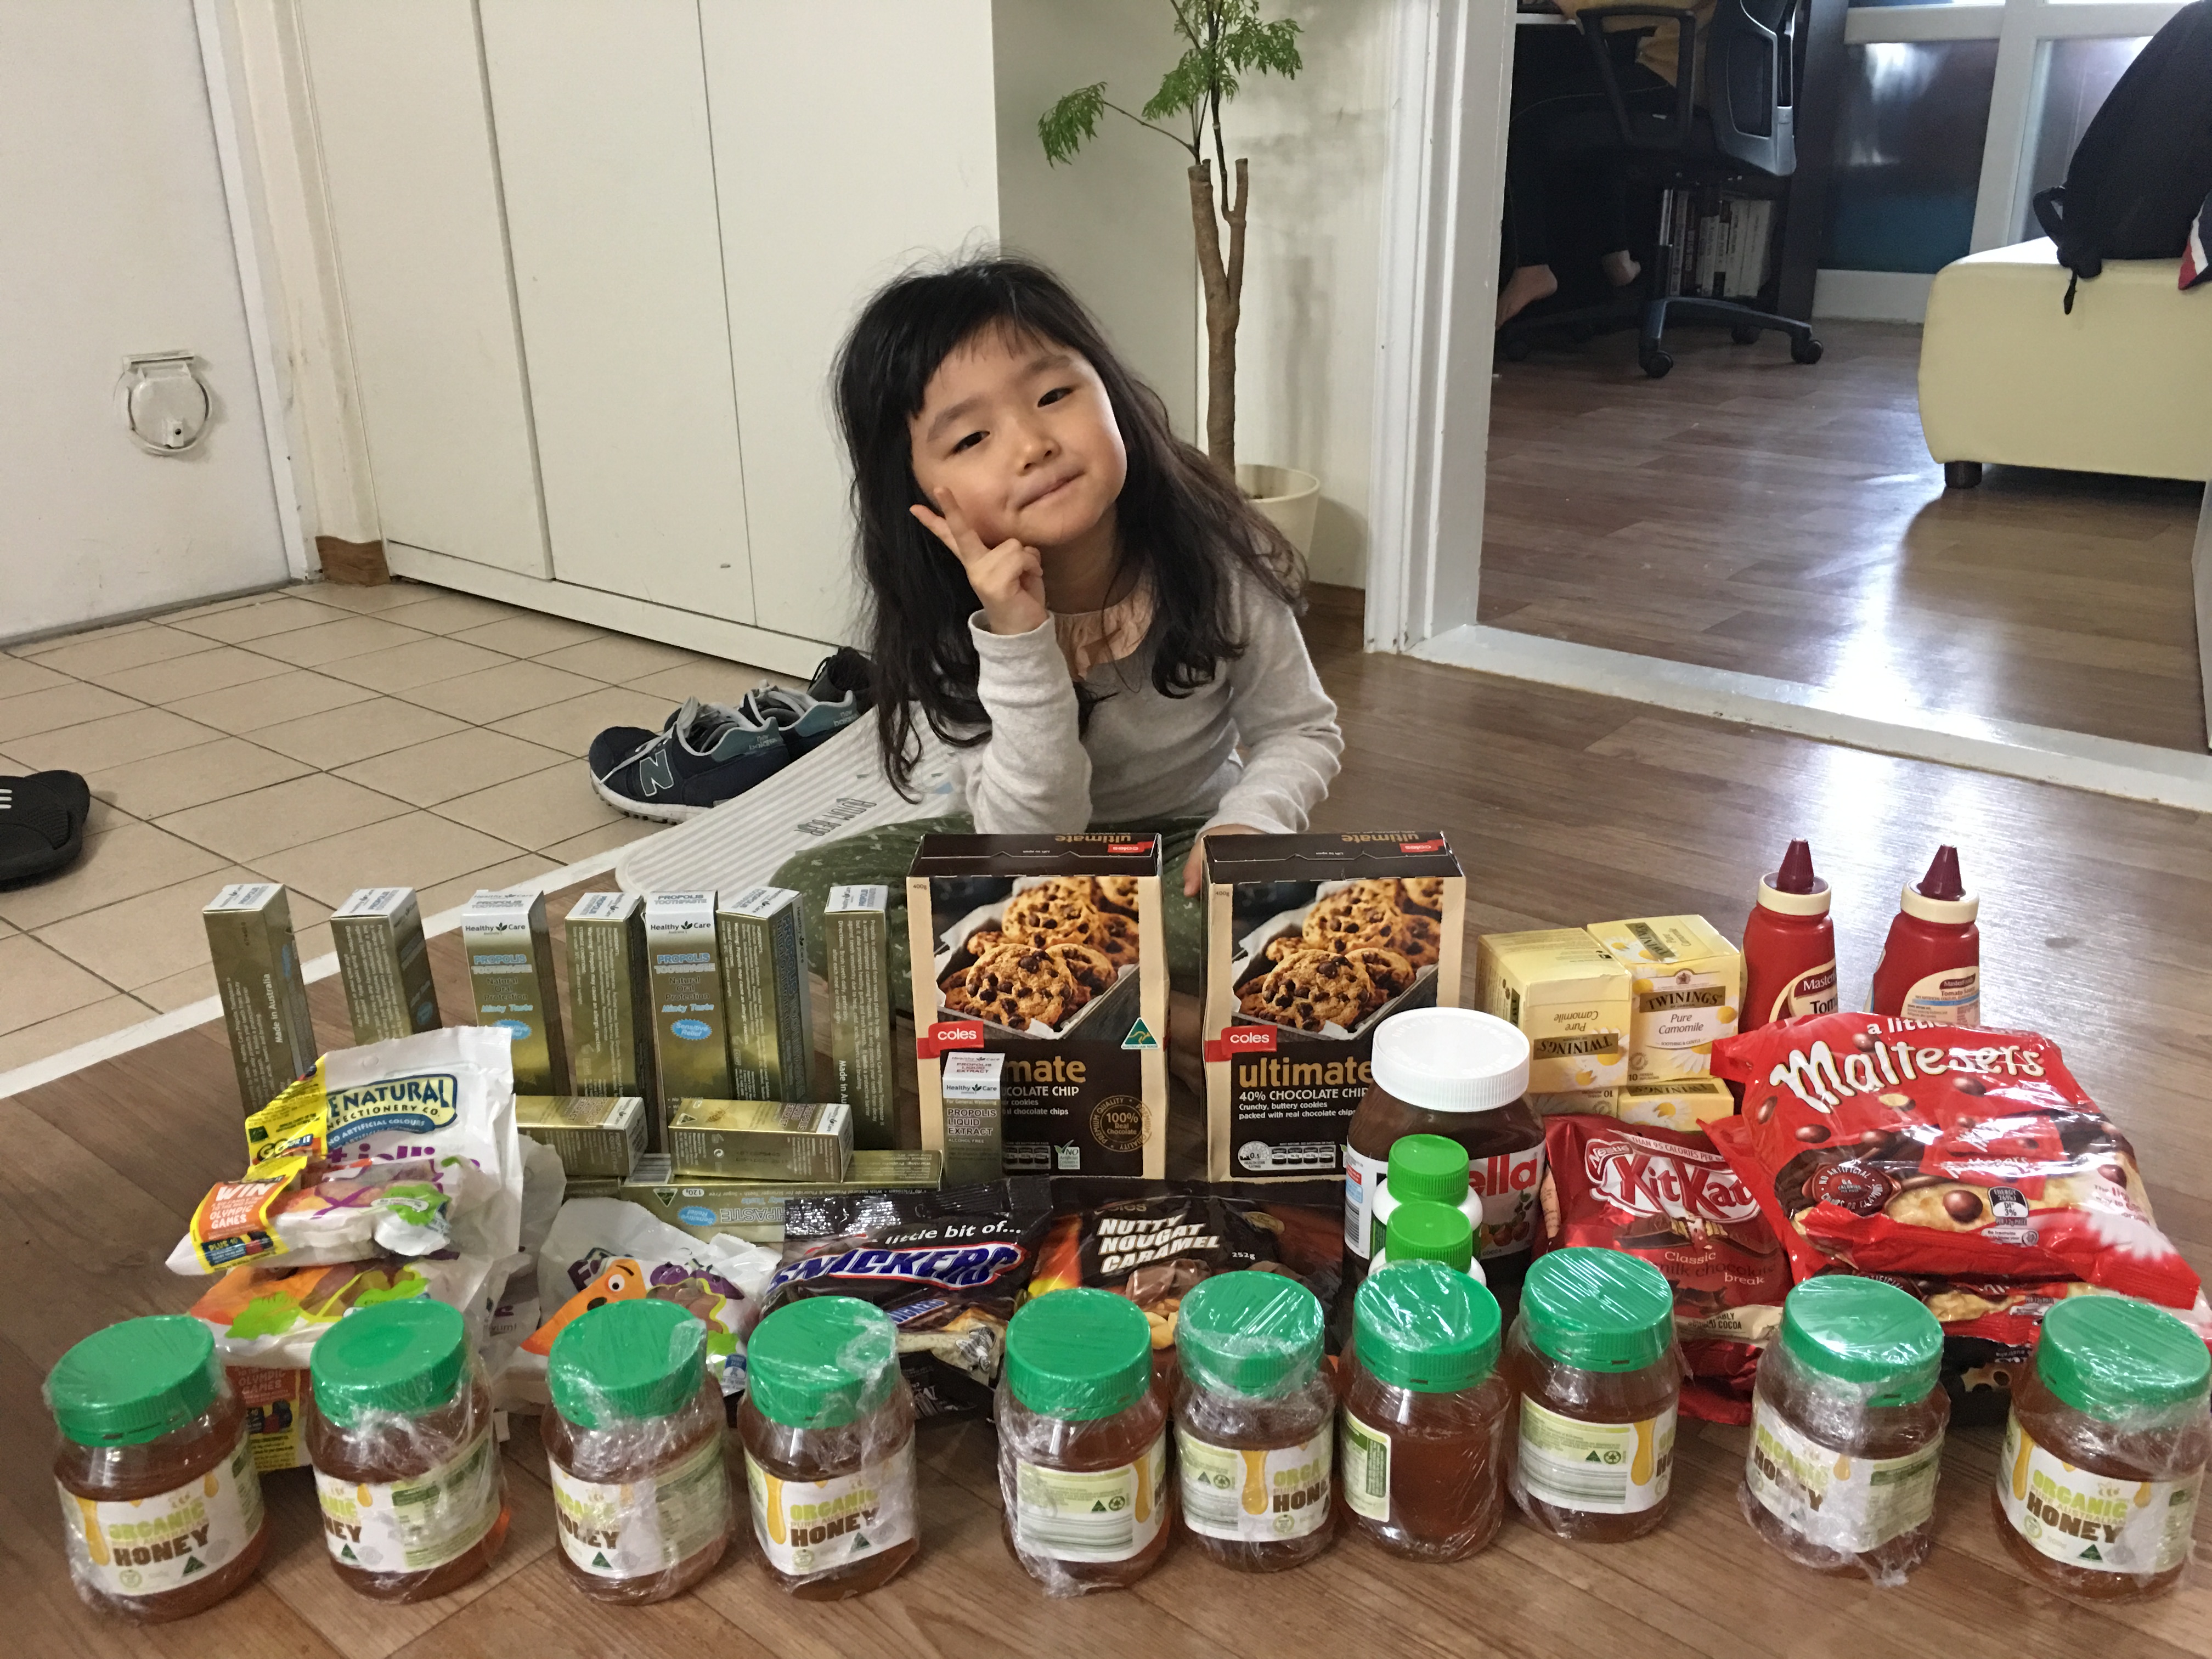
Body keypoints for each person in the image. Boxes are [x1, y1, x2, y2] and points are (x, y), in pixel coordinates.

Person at [771, 255, 1343, 1041]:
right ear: (918, 494)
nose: (1032, 445)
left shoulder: (1213, 555)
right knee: (810, 893)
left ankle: (1054, 996)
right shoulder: (948, 614)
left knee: (1302, 917)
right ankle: (1158, 1016)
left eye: (1053, 396)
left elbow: (1300, 729)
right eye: (972, 438)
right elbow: (1033, 843)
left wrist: (1251, 823)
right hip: (1023, 853)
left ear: (1112, 393)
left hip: (1180, 844)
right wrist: (1018, 637)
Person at [1497, 0, 1718, 327]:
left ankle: (1533, 266)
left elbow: (1644, 4)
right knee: (1607, 119)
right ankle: (1617, 256)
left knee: (1525, 117)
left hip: (1675, 76)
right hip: (1710, 84)